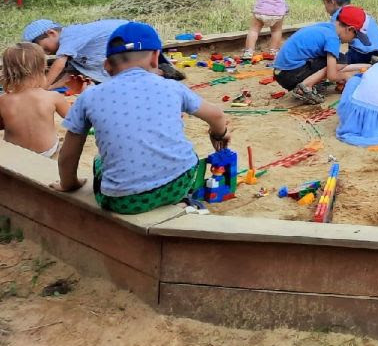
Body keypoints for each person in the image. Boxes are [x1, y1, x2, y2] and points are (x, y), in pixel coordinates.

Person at [53, 22, 231, 214]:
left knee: (99, 161)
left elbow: (68, 155)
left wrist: (69, 184)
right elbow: (217, 116)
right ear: (155, 58)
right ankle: (181, 202)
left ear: (106, 65)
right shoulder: (172, 87)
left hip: (124, 201)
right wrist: (218, 134)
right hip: (179, 183)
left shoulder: (89, 96)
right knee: (187, 155)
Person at [271, 5, 368, 104]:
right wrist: (346, 76)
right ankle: (305, 87)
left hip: (281, 72)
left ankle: (307, 83)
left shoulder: (326, 27)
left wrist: (366, 67)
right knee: (339, 61)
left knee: (339, 59)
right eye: (355, 36)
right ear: (350, 29)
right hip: (290, 75)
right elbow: (332, 75)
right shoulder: (333, 39)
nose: (353, 40)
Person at [0, 42, 73, 157]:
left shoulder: (3, 101)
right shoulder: (53, 97)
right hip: (46, 153)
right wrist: (84, 94)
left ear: (7, 72)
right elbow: (75, 120)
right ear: (42, 69)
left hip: (15, 155)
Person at [24, 18, 129, 89]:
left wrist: (42, 88)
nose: (44, 53)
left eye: (43, 47)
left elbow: (59, 64)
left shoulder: (69, 36)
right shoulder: (72, 50)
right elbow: (70, 75)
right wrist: (50, 88)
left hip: (132, 41)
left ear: (51, 33)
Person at [314, 0, 378, 64]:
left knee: (335, 61)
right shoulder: (355, 11)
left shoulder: (338, 17)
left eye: (324, 3)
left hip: (361, 51)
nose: (325, 7)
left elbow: (332, 38)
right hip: (376, 48)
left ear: (331, 2)